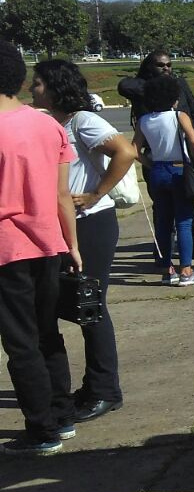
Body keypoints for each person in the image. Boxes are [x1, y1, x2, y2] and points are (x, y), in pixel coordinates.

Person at [32, 60, 137, 422]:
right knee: (74, 306)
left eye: (39, 83)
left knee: (91, 307)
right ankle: (93, 386)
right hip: (66, 226)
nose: (33, 89)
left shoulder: (83, 121)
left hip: (92, 223)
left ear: (56, 85)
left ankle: (106, 390)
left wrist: (95, 193)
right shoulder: (52, 123)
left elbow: (126, 152)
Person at [0, 40, 82, 455]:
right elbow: (62, 195)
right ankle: (62, 415)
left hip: (6, 249)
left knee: (20, 342)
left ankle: (42, 429)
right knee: (47, 332)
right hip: (48, 241)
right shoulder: (48, 125)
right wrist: (73, 244)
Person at [118, 52, 194, 258]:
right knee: (164, 211)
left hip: (180, 155)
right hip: (159, 157)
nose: (167, 68)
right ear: (149, 67)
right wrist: (158, 90)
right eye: (161, 66)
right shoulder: (141, 88)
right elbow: (124, 86)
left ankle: (191, 245)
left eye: (169, 65)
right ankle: (166, 253)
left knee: (191, 202)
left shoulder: (180, 85)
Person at [134, 75, 194, 286]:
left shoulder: (144, 120)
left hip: (158, 170)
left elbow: (134, 149)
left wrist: (149, 164)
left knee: (163, 222)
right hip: (178, 169)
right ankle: (186, 270)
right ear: (172, 98)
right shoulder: (178, 116)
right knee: (184, 221)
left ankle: (168, 268)